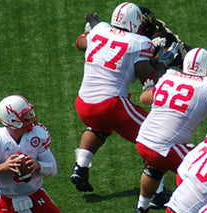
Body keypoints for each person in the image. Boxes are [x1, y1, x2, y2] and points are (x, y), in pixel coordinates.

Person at [70, 3, 179, 193]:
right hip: (111, 105)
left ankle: (81, 166)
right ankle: (157, 192)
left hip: (83, 104)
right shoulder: (139, 43)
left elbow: (80, 43)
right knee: (152, 137)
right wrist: (161, 64)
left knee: (98, 127)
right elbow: (147, 77)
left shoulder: (99, 30)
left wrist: (90, 31)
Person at [133, 47, 207, 213]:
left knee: (154, 168)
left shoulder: (169, 76)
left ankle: (141, 208)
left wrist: (153, 84)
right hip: (165, 147)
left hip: (144, 140)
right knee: (205, 171)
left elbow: (144, 98)